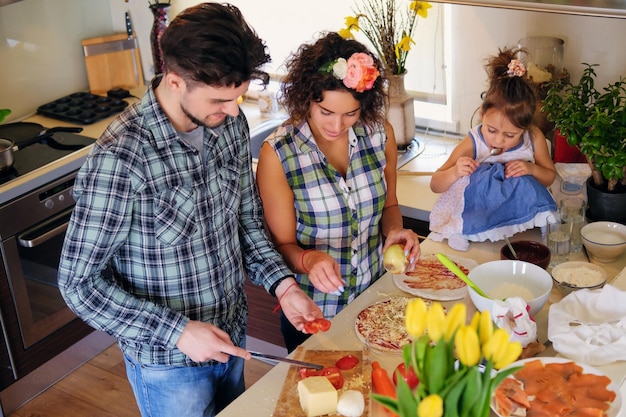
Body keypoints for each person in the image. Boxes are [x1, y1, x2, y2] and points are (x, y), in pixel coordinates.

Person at [57, 4, 322, 417]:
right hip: (169, 367)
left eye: (238, 96)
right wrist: (177, 331)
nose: (234, 111)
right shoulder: (121, 159)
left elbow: (246, 220)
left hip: (233, 336)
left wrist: (283, 286)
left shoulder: (228, 125)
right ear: (176, 81)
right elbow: (78, 284)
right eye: (221, 99)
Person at [255, 32, 421, 352]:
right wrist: (309, 258)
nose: (337, 125)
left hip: (375, 303)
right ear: (307, 98)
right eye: (325, 112)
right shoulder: (279, 154)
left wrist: (396, 232)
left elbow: (389, 206)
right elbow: (282, 246)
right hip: (315, 313)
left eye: (350, 114)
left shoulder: (378, 133)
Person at [428, 47, 557, 251]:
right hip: (481, 205)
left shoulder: (533, 138)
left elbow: (550, 177)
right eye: (492, 130)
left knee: (529, 186)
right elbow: (435, 184)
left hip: (516, 205)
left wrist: (531, 169)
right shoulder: (474, 141)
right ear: (482, 114)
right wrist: (455, 172)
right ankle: (462, 230)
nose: (498, 140)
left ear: (525, 127)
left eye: (509, 135)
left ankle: (542, 222)